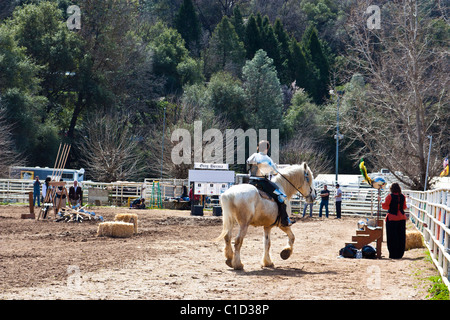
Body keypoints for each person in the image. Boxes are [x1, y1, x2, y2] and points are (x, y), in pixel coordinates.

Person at [247, 140, 292, 227]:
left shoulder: (253, 156)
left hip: (251, 181)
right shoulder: (268, 159)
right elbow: (275, 173)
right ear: (267, 148)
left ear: (258, 147)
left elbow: (247, 164)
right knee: (282, 197)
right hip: (263, 183)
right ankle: (284, 220)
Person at [381, 183, 407, 259]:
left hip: (392, 218)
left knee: (392, 237)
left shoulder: (389, 196)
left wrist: (380, 201)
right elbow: (404, 207)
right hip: (402, 218)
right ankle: (400, 253)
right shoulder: (403, 196)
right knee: (401, 236)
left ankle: (393, 254)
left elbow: (385, 206)